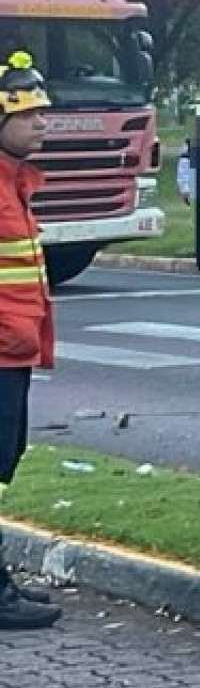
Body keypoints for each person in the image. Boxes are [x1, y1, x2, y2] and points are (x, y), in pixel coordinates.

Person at [0, 53, 59, 631]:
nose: (43, 123)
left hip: (11, 353)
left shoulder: (14, 182)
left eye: (44, 113)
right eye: (30, 114)